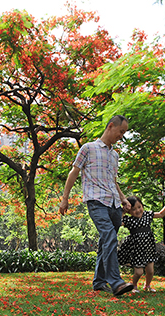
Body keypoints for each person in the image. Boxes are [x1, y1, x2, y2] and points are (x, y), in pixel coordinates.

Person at [60, 114, 134, 297]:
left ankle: (99, 282)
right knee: (109, 236)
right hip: (96, 201)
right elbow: (74, 172)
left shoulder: (115, 155)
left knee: (105, 243)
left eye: (124, 133)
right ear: (110, 126)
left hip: (114, 204)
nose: (121, 136)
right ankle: (116, 282)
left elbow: (113, 181)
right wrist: (65, 198)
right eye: (121, 131)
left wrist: (123, 199)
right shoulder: (88, 148)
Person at [117, 196, 165, 292]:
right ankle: (134, 286)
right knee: (139, 272)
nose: (138, 210)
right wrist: (123, 211)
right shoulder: (129, 220)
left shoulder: (147, 215)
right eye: (134, 209)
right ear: (129, 211)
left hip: (148, 248)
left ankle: (147, 286)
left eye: (139, 207)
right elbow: (118, 222)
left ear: (142, 206)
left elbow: (161, 214)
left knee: (150, 271)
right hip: (137, 250)